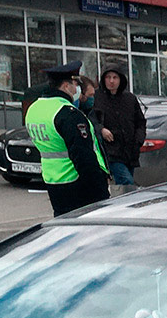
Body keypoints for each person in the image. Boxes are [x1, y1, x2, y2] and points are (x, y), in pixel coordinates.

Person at [25, 60, 111, 216]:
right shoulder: (68, 113)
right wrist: (99, 190)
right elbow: (83, 156)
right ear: (65, 86)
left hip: (53, 181)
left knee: (63, 227)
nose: (77, 88)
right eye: (75, 83)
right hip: (78, 183)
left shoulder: (35, 109)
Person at [94, 62, 147, 193]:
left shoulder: (129, 98)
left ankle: (125, 208)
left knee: (123, 187)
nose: (111, 81)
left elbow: (140, 122)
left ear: (121, 79)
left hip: (130, 151)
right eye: (108, 77)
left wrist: (138, 141)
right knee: (126, 182)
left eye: (115, 77)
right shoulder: (98, 97)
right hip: (111, 151)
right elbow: (91, 119)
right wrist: (101, 129)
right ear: (103, 79)